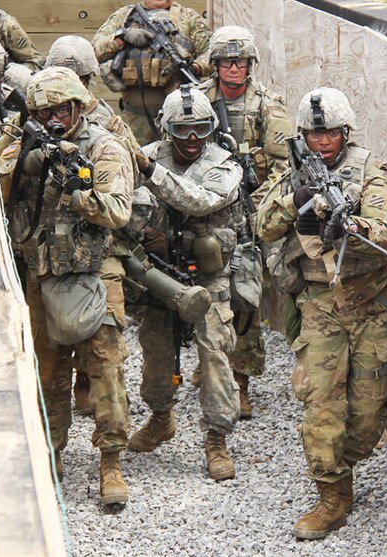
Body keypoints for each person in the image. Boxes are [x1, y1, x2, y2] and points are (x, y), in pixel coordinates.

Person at [256, 87, 387, 539]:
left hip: (369, 306)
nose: (323, 142)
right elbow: (262, 225)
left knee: (364, 416)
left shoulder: (373, 172)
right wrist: (295, 201)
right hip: (320, 307)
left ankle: (347, 465)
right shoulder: (292, 174)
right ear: (303, 135)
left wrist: (351, 224)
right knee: (320, 404)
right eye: (314, 134)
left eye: (331, 133)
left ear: (345, 132)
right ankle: (332, 495)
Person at [0, 67, 135, 509]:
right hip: (39, 275)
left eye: (62, 109)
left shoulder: (104, 146)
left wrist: (77, 190)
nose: (55, 118)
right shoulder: (24, 142)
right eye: (45, 111)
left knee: (107, 370)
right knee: (45, 374)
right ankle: (49, 457)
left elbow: (116, 211)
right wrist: (23, 163)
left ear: (78, 107)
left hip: (94, 274)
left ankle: (110, 462)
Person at [129, 85, 243, 482]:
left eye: (200, 129)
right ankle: (161, 416)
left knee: (214, 352)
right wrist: (143, 231)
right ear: (166, 129)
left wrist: (152, 174)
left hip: (209, 275)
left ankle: (217, 437)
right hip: (160, 271)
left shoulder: (224, 164)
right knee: (155, 349)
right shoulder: (143, 158)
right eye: (182, 130)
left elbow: (200, 201)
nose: (192, 140)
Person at [196, 25, 292, 418]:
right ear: (215, 64)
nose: (233, 68)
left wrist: (255, 205)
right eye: (226, 61)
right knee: (202, 293)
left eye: (240, 61)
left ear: (249, 65)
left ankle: (243, 380)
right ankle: (207, 371)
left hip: (249, 214)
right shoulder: (197, 102)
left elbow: (284, 167)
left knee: (246, 298)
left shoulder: (268, 106)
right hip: (205, 210)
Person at [44, 34, 142, 416]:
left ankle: (96, 393)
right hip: (50, 243)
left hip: (102, 240)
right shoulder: (39, 117)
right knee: (49, 349)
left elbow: (131, 180)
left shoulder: (110, 129)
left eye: (77, 80)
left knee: (104, 343)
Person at [92, 0, 211, 145]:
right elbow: (94, 51)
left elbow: (210, 55)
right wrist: (122, 37)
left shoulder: (189, 18)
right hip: (134, 119)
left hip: (179, 120)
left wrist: (194, 68)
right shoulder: (124, 16)